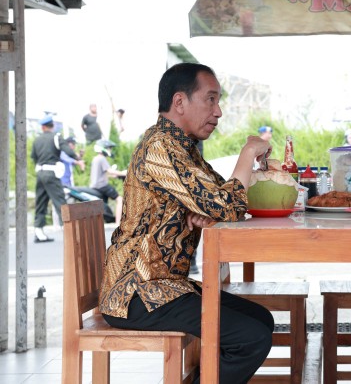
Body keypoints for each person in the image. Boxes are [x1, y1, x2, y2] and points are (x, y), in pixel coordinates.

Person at [99, 63, 274, 383]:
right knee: (251, 336)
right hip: (138, 293)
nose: (218, 111)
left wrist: (209, 210)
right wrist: (249, 152)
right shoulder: (161, 146)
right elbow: (228, 205)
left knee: (260, 320)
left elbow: (221, 197)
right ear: (179, 102)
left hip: (166, 286)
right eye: (211, 99)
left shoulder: (182, 147)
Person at [31, 115, 82, 242]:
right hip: (52, 173)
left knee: (41, 203)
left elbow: (34, 157)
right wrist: (78, 158)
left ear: (43, 127)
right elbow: (68, 151)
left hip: (40, 173)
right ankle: (69, 231)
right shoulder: (56, 137)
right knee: (60, 201)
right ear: (52, 126)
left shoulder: (37, 140)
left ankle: (39, 232)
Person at [89, 139, 126, 225]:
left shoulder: (95, 159)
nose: (110, 150)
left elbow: (102, 173)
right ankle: (118, 223)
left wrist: (114, 175)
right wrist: (123, 173)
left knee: (104, 204)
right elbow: (110, 170)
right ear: (103, 148)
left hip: (95, 185)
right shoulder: (102, 158)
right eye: (109, 148)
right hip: (102, 185)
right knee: (120, 199)